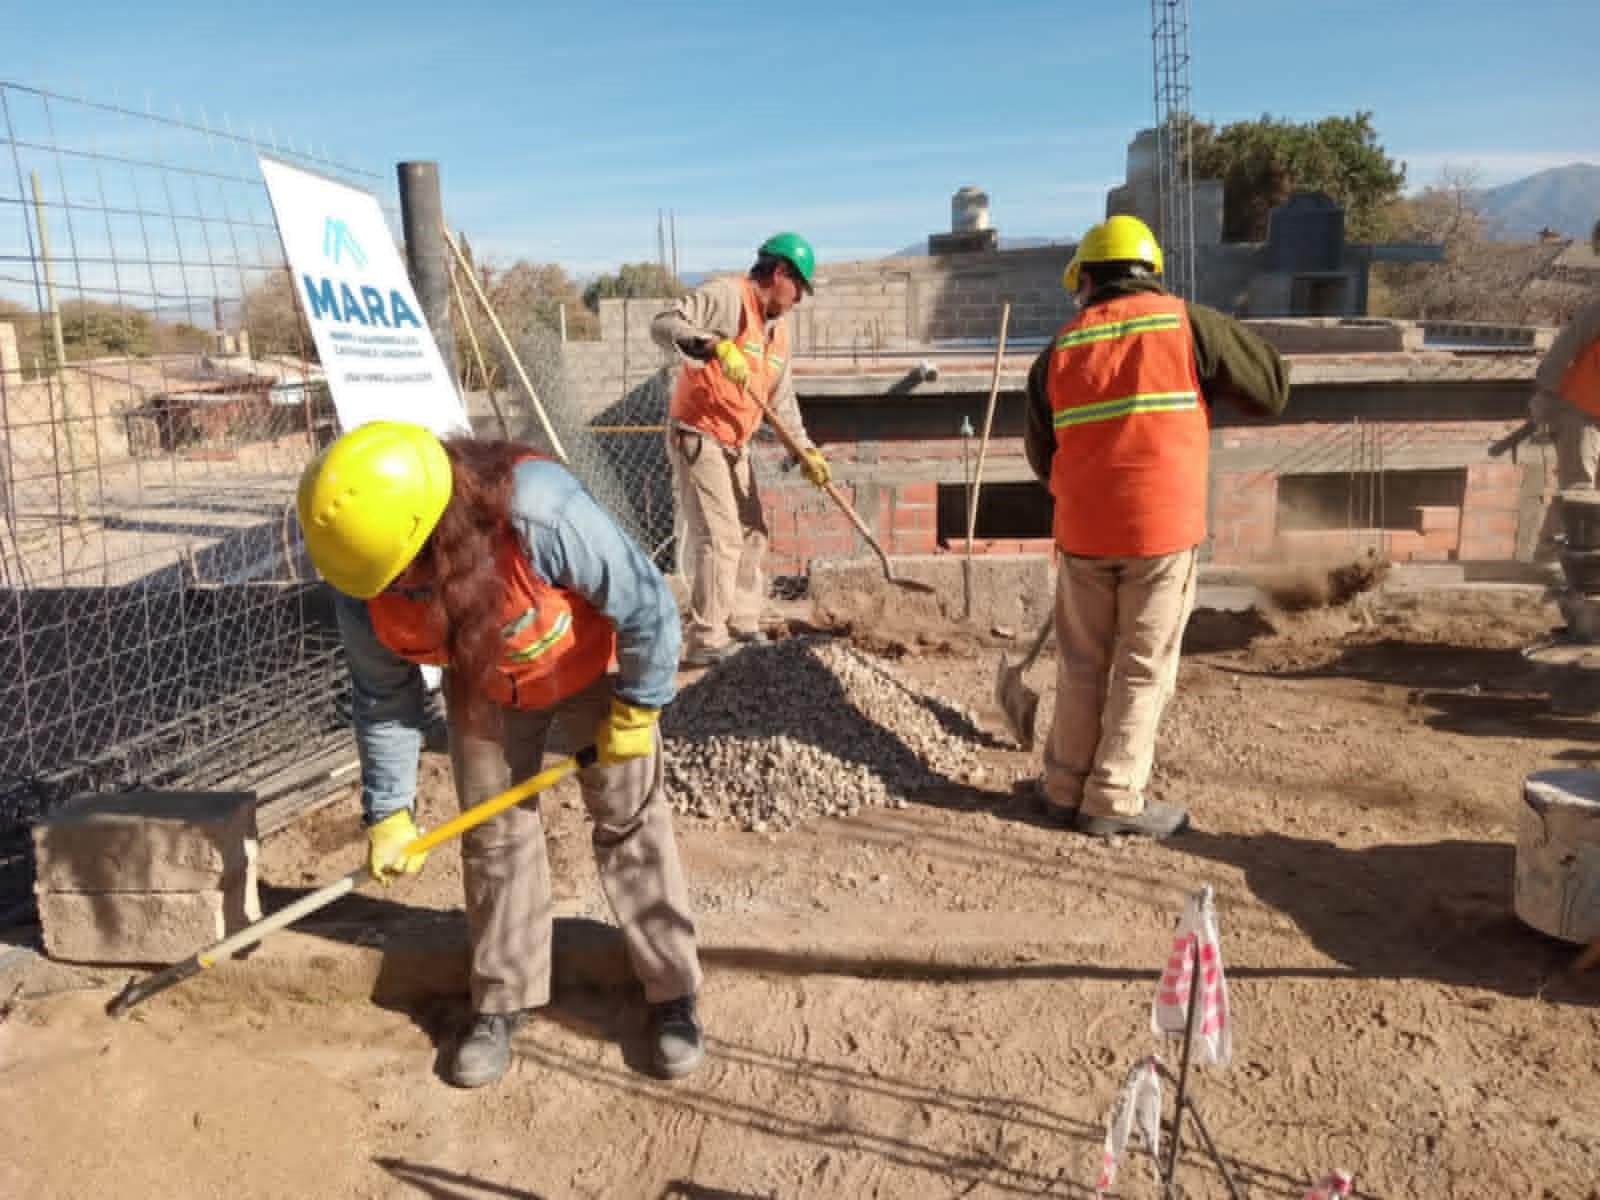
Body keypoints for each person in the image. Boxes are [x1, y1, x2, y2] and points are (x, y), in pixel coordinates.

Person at [297, 421, 704, 1088]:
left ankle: (673, 993)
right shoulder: (360, 578)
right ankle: (503, 1000)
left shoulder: (541, 511)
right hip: (485, 679)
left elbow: (647, 605)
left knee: (630, 821)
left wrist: (639, 704)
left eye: (403, 573)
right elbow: (383, 698)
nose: (393, 589)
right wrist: (389, 812)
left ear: (435, 529)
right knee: (493, 833)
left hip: (596, 668)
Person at [1024, 215, 1289, 840]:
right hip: (1161, 532)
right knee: (1142, 666)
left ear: (1088, 278)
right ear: (1148, 272)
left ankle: (1063, 786)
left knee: (1082, 661)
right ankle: (1113, 799)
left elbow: (1041, 454)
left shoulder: (1058, 349)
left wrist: (1088, 491)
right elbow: (1272, 387)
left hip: (1083, 531)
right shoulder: (1187, 323)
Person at [652, 233, 831, 668]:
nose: (799, 300)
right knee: (720, 537)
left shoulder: (779, 334)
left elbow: (782, 403)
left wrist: (807, 452)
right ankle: (706, 639)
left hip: (736, 443)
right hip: (699, 432)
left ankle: (742, 623)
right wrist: (712, 345)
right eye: (799, 288)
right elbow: (663, 323)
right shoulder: (727, 296)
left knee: (753, 533)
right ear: (780, 273)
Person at [1531, 293, 1600, 547]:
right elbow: (1564, 347)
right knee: (1579, 489)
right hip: (1580, 409)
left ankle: (1568, 558)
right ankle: (1557, 563)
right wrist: (1545, 395)